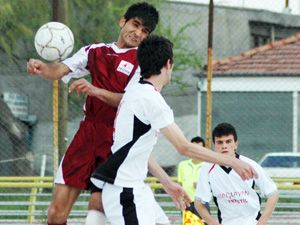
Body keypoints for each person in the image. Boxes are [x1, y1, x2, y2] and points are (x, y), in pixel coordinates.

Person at [27, 3, 189, 225]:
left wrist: (94, 90)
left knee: (99, 206)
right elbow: (59, 70)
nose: (138, 33)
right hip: (87, 133)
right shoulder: (94, 51)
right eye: (136, 25)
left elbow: (129, 100)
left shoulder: (143, 62)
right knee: (56, 213)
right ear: (123, 21)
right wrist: (41, 67)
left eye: (145, 31)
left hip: (115, 139)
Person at [90, 35, 257, 225]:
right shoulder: (150, 100)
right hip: (124, 190)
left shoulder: (135, 91)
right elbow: (184, 148)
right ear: (168, 64)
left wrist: (167, 182)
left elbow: (139, 151)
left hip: (136, 188)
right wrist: (231, 162)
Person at [194, 123, 279, 225]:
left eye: (228, 141)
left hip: (252, 222)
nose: (224, 146)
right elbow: (199, 203)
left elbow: (273, 193)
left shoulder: (250, 164)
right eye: (220, 142)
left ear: (236, 144)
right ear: (214, 145)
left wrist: (262, 222)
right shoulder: (207, 169)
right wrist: (213, 223)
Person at [178, 136, 209, 225]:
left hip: (202, 203)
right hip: (187, 203)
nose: (196, 151)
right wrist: (180, 201)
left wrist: (201, 185)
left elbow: (212, 186)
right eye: (194, 148)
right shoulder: (182, 165)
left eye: (199, 148)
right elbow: (180, 185)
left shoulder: (207, 166)